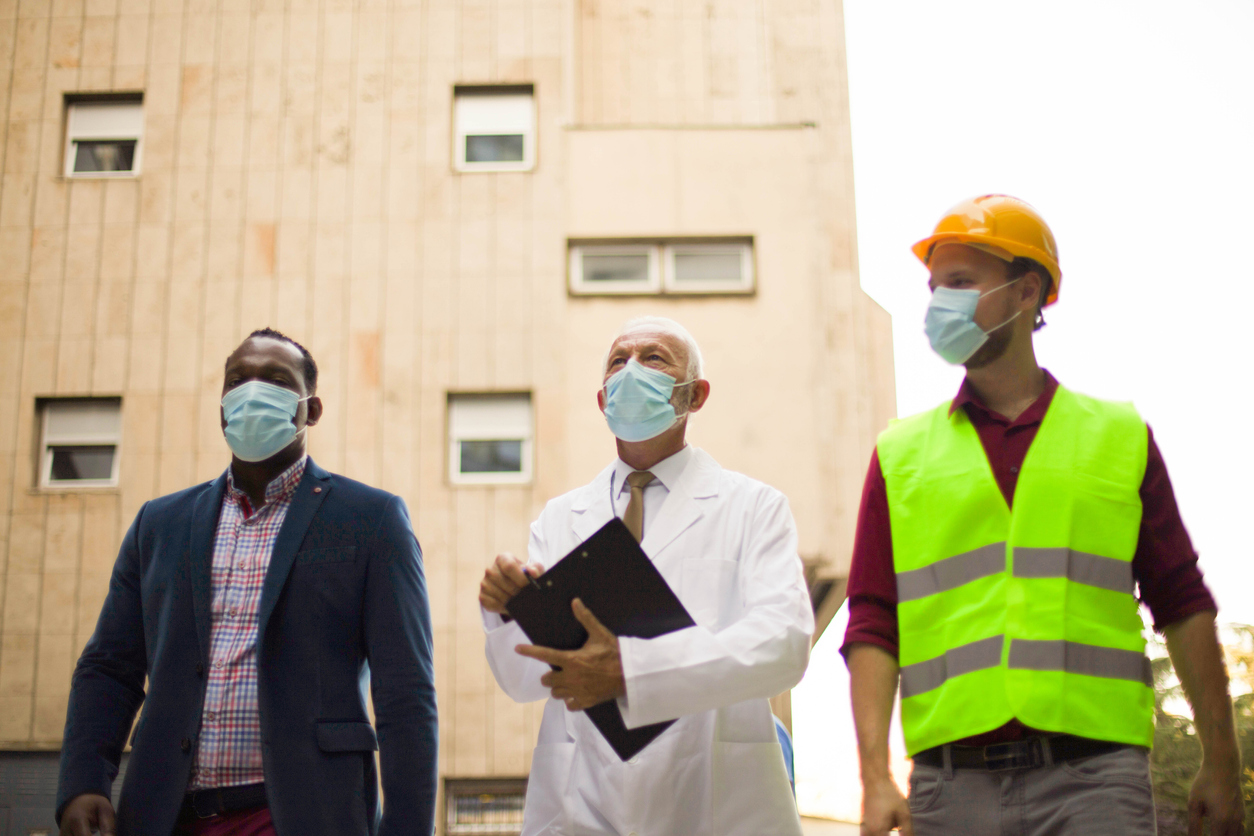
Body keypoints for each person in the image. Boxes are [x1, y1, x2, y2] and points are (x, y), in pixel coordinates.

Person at [843, 195, 1244, 836]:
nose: (939, 302)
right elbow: (872, 620)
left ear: (1026, 291)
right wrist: (873, 776)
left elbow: (1182, 601)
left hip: (1096, 782)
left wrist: (1220, 760)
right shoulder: (900, 454)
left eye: (961, 282)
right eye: (934, 286)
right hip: (953, 787)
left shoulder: (1120, 436)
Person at [56, 329, 439, 836]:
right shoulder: (159, 524)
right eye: (238, 380)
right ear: (221, 408)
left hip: (305, 814)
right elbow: (109, 667)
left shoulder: (371, 519)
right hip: (167, 814)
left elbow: (405, 693)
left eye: (276, 380)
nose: (253, 391)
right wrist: (84, 781)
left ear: (312, 409)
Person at [479, 316, 813, 836]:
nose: (631, 370)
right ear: (602, 399)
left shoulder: (753, 507)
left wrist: (632, 670)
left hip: (715, 802)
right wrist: (505, 610)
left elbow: (783, 644)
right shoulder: (561, 518)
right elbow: (525, 681)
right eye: (618, 361)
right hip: (582, 806)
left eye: (654, 358)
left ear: (695, 395)